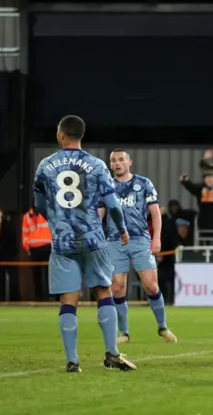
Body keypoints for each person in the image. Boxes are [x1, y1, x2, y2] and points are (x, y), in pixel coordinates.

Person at [32, 115, 135, 372]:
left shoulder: (45, 165)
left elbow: (38, 205)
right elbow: (111, 205)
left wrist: (56, 221)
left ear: (61, 134)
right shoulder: (97, 165)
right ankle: (112, 353)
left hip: (62, 241)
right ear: (80, 136)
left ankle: (72, 360)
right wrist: (122, 230)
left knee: (69, 298)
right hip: (92, 239)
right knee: (103, 291)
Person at [99, 149, 177, 345]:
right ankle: (124, 333)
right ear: (110, 164)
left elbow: (156, 213)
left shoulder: (143, 184)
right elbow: (99, 215)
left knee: (151, 286)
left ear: (129, 162)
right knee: (117, 288)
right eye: (114, 160)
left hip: (140, 240)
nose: (117, 163)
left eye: (121, 160)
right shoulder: (106, 186)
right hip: (115, 241)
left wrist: (156, 238)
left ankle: (162, 327)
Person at [22, 206, 52, 301]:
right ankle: (39, 297)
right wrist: (26, 246)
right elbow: (25, 232)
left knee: (49, 274)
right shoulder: (27, 216)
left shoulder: (48, 212)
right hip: (34, 249)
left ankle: (49, 296)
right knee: (36, 274)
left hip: (47, 247)